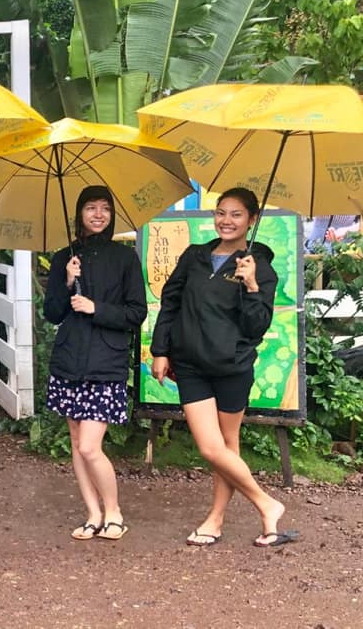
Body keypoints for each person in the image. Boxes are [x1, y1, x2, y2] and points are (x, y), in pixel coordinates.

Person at [151, 187, 297, 548]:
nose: (226, 220)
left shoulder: (260, 268)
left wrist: (251, 285)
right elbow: (170, 302)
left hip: (232, 366)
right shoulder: (195, 256)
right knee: (211, 447)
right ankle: (267, 504)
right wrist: (160, 351)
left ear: (252, 220)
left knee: (227, 445)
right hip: (190, 365)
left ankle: (215, 519)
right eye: (221, 212)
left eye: (236, 214)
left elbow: (256, 326)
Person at [42, 186, 147, 541]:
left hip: (105, 361)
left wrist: (96, 308)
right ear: (79, 214)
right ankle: (92, 513)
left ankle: (114, 512)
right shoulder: (65, 257)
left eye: (105, 208)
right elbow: (53, 313)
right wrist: (68, 281)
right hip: (69, 360)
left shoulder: (125, 258)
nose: (98, 215)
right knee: (76, 442)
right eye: (91, 208)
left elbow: (137, 312)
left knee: (89, 446)